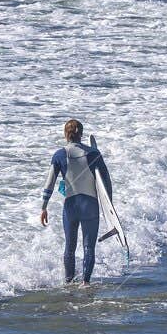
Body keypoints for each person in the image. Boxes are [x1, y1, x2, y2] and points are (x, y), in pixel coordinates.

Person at [40, 119, 114, 284]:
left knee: (69, 247)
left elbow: (49, 183)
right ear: (81, 134)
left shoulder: (59, 155)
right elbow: (106, 182)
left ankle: (68, 282)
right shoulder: (94, 154)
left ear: (65, 134)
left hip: (70, 206)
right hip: (90, 206)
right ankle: (86, 283)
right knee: (89, 248)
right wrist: (109, 206)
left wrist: (44, 207)